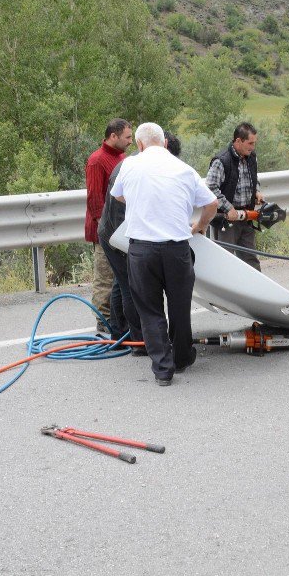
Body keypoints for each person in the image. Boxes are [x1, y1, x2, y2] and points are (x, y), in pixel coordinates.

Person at [111, 123, 217, 386]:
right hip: (177, 249)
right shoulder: (184, 169)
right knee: (180, 307)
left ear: (139, 145)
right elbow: (212, 204)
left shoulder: (130, 165)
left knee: (150, 310)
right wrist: (200, 226)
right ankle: (182, 358)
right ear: (166, 143)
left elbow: (118, 196)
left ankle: (162, 369)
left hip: (142, 250)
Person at [97, 132, 183, 353]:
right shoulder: (134, 168)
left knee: (121, 282)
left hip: (116, 231)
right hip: (117, 234)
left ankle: (120, 332)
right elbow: (122, 211)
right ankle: (139, 343)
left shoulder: (136, 163)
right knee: (131, 287)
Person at [86, 119, 132, 332]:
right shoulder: (97, 161)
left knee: (119, 279)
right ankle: (103, 322)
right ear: (113, 136)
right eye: (127, 137)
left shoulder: (122, 158)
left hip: (121, 231)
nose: (130, 141)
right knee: (105, 278)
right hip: (105, 231)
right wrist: (104, 231)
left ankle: (117, 321)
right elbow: (95, 200)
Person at [206, 122, 264, 271]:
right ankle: (223, 293)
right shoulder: (221, 161)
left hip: (247, 217)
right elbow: (210, 188)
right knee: (226, 261)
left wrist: (256, 191)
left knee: (251, 259)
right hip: (227, 220)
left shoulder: (252, 157)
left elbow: (253, 179)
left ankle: (257, 293)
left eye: (254, 143)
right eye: (250, 143)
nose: (253, 147)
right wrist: (228, 208)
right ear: (238, 141)